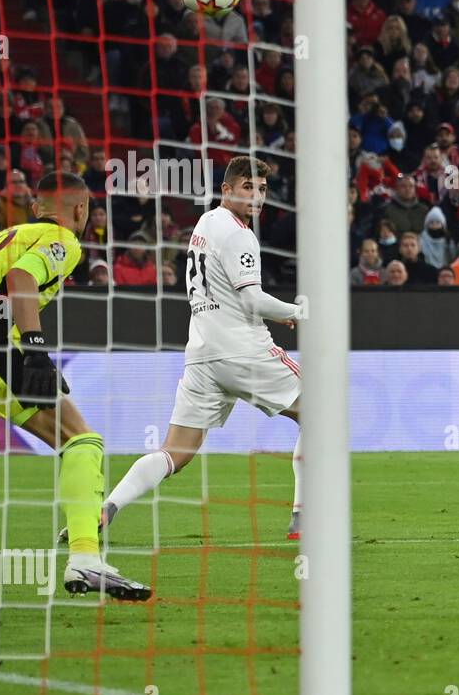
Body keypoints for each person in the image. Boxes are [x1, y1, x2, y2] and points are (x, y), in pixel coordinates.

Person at [81, 158, 305, 544]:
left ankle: (109, 506)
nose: (256, 196)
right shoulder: (238, 234)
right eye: (247, 187)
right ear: (227, 190)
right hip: (243, 350)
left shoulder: (204, 224)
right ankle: (304, 516)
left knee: (175, 452)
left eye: (262, 190)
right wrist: (297, 312)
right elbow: (252, 300)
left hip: (202, 355)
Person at [0, 171, 149, 599]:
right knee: (81, 440)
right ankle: (85, 560)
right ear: (81, 210)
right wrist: (36, 349)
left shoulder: (1, 237)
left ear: (36, 204)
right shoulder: (63, 240)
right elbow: (22, 279)